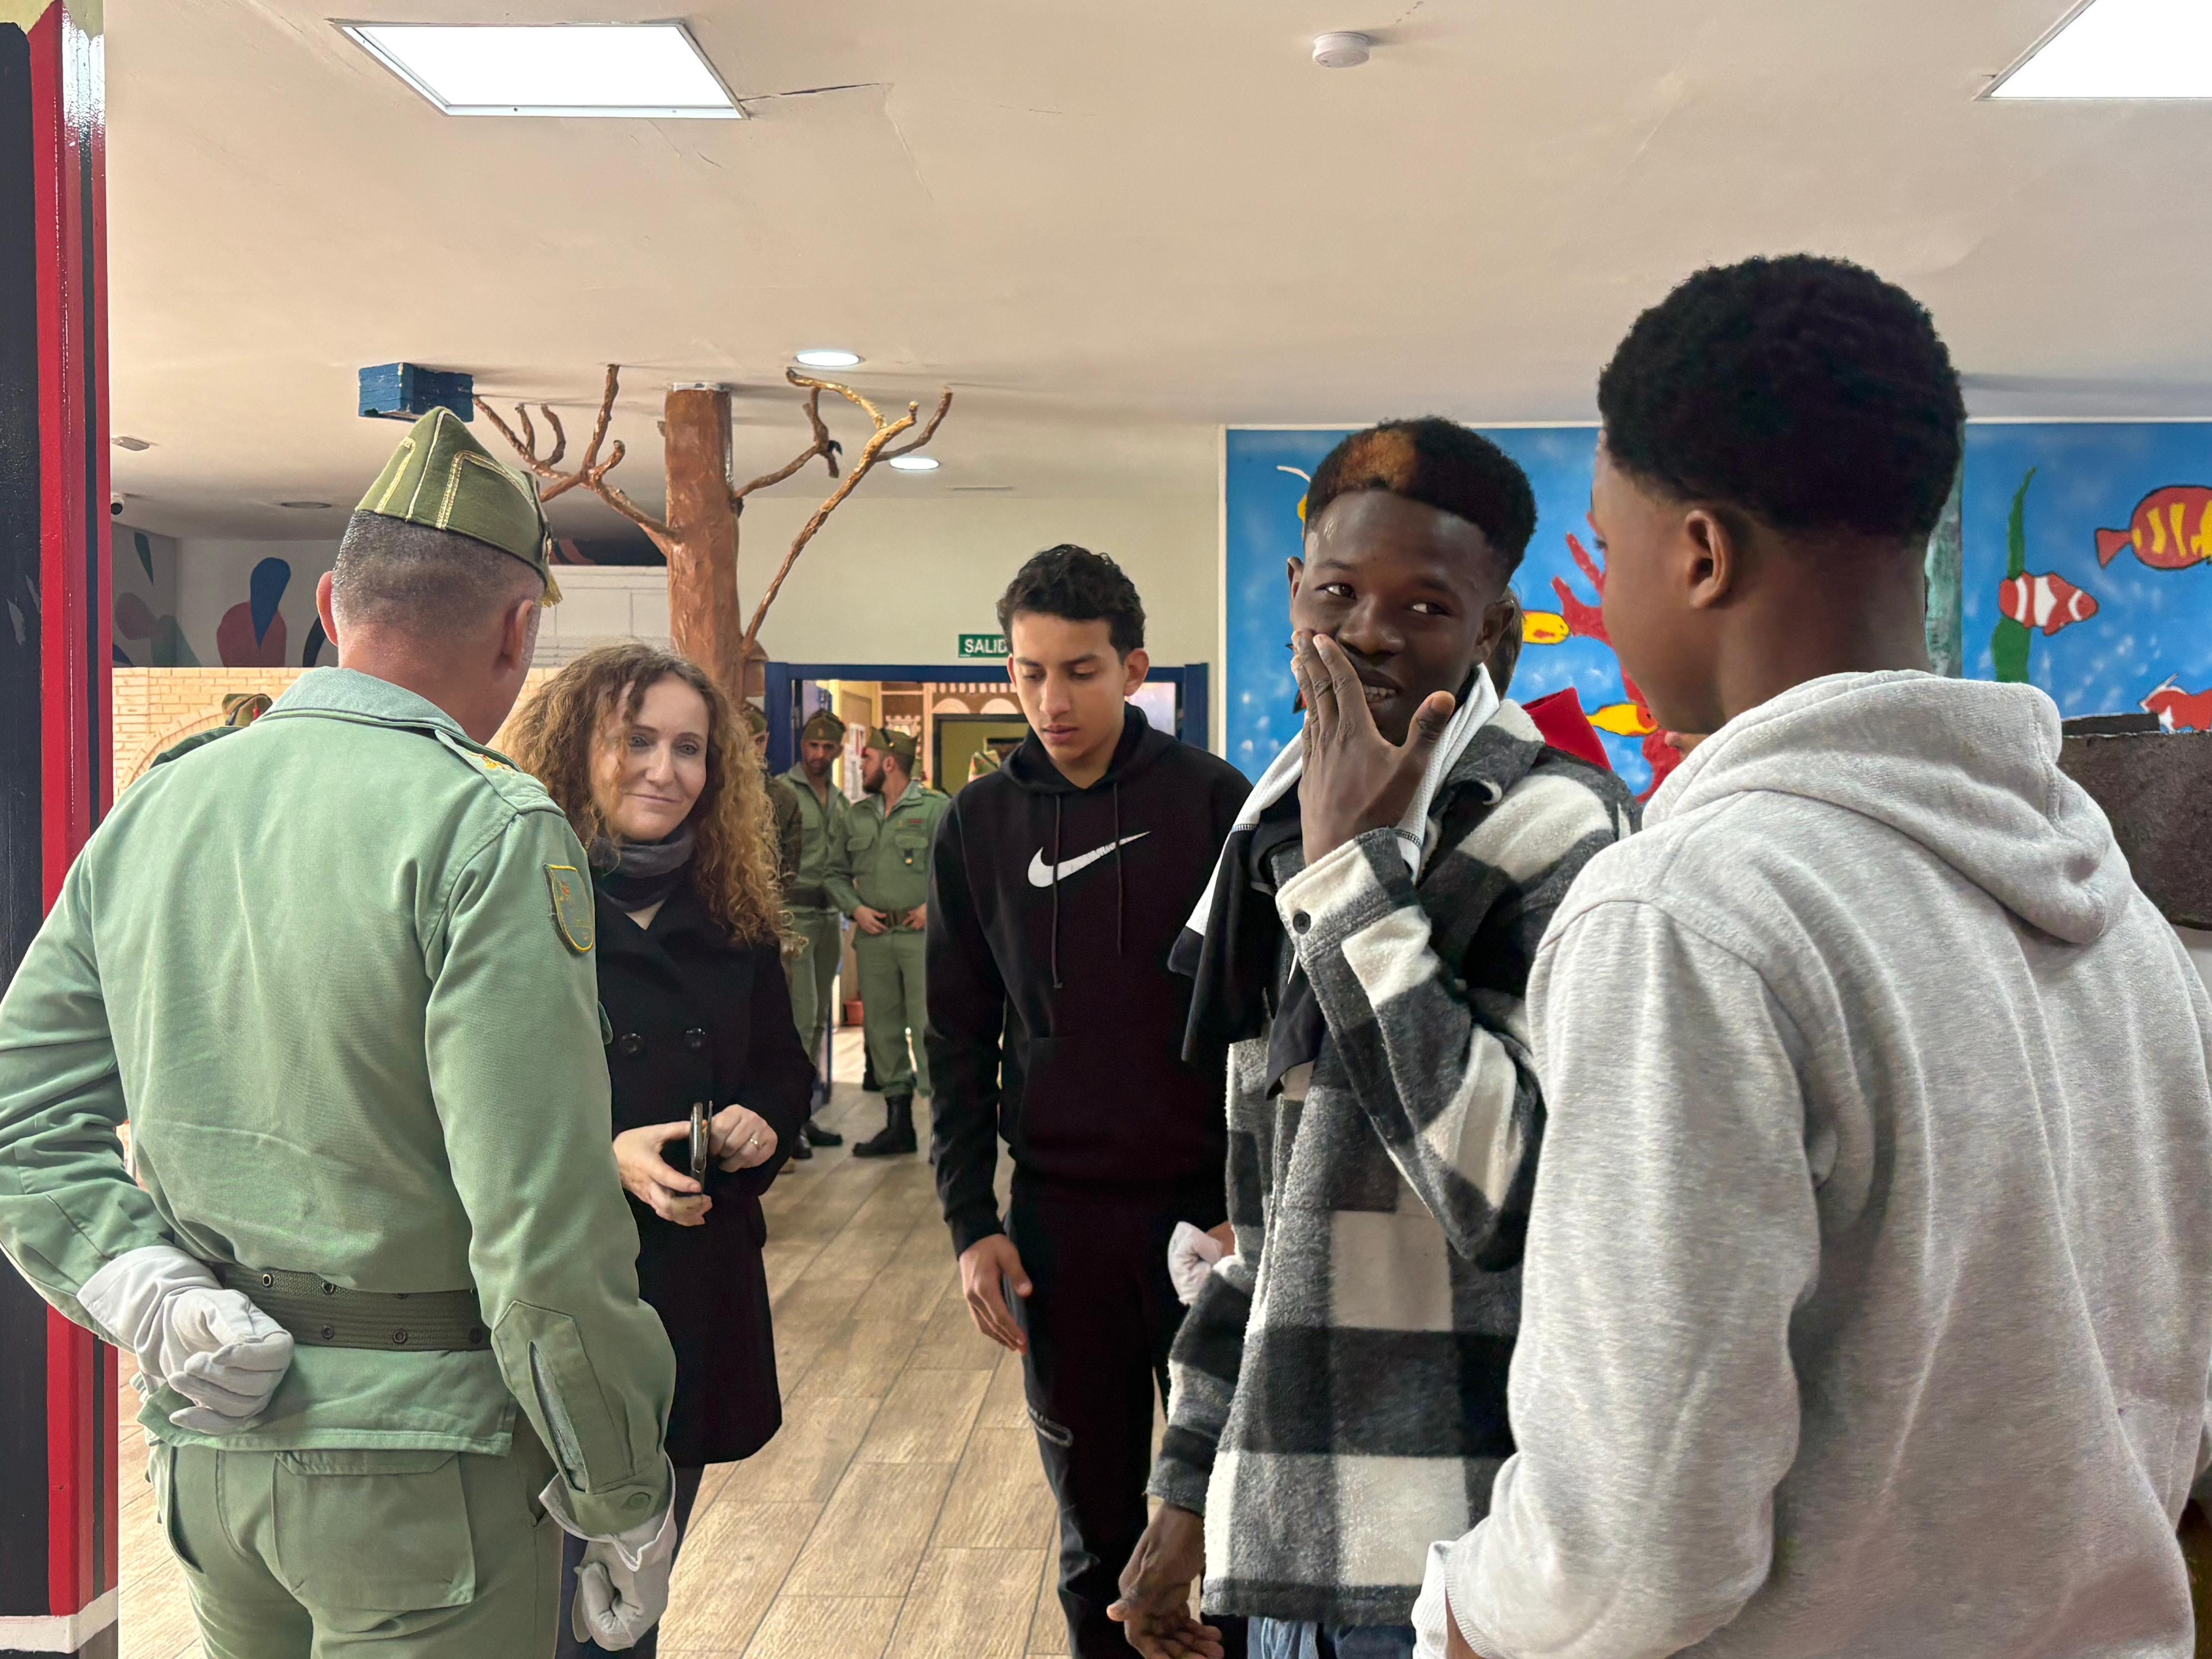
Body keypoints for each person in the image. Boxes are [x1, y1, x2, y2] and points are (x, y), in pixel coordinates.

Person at [1421, 256, 2212, 1659]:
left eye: (1607, 540)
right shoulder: (2126, 920)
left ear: (1700, 555)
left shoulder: (1687, 914)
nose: (1596, 591)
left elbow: (1634, 1548)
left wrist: (1460, 1612)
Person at [0, 408, 680, 1656]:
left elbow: (20, 1117)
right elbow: (540, 1230)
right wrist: (620, 1487)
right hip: (428, 1464)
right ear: (519, 629)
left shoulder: (161, 806)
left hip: (213, 1441)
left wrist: (146, 1286)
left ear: (328, 603)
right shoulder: (489, 829)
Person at [1116, 421, 1633, 1659]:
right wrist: (1187, 1487)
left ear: (1493, 630)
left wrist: (1358, 879)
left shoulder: (1560, 829)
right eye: (1339, 594)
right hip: (1288, 1532)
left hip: (1460, 1551)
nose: (1369, 634)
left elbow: (1509, 1196)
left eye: (1426, 606)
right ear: (1296, 595)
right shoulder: (1271, 830)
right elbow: (1269, 1216)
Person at [928, 546, 1251, 1658]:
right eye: (1030, 673)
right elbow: (956, 1037)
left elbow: (1263, 1022)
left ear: (1133, 669)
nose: (1052, 700)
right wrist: (970, 1220)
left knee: (1231, 1518)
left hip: (1203, 1218)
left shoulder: (1213, 802)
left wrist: (1250, 1208)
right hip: (1056, 1224)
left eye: (1079, 671)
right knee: (1094, 1528)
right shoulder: (976, 823)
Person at [507, 643, 813, 1659]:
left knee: (622, 1607)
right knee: (536, 1603)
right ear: (575, 747)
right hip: (549, 1296)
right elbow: (454, 1108)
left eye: (689, 748)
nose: (664, 769)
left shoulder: (732, 913)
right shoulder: (512, 899)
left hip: (685, 1290)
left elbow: (781, 1067)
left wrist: (760, 1122)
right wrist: (605, 1156)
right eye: (635, 740)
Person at [826, 725, 949, 1157]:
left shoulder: (936, 809)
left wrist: (932, 907)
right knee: (881, 1030)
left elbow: (961, 868)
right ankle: (899, 1126)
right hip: (874, 939)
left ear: (890, 763)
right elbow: (833, 873)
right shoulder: (856, 816)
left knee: (930, 1029)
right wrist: (855, 909)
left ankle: (944, 1132)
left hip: (922, 939)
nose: (861, 766)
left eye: (868, 759)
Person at [778, 709, 852, 1150]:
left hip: (829, 918)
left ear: (839, 750)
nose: (819, 754)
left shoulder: (839, 801)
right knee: (801, 1020)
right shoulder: (782, 792)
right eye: (812, 745)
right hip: (794, 916)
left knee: (821, 1017)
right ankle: (787, 1124)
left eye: (827, 747)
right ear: (801, 745)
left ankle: (804, 1114)